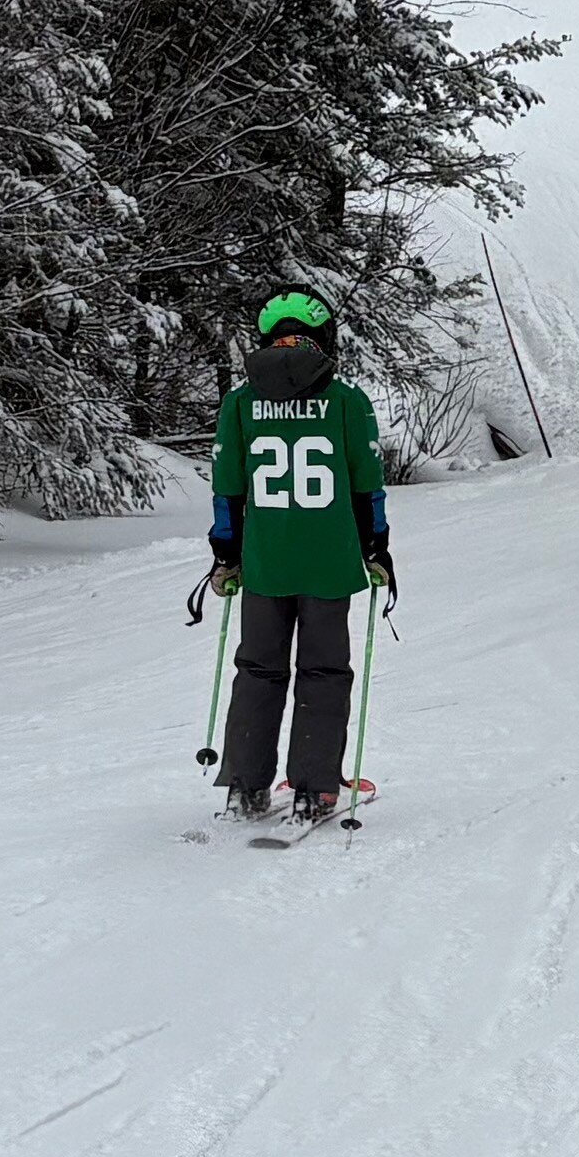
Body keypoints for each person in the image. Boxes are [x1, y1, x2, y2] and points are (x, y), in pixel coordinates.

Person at [205, 287, 395, 819]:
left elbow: (227, 489)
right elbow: (367, 486)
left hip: (266, 564)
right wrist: (377, 549)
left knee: (258, 670)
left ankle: (246, 785)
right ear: (323, 337)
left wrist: (226, 556)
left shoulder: (240, 403)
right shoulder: (346, 400)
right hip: (331, 565)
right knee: (324, 671)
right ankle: (316, 787)